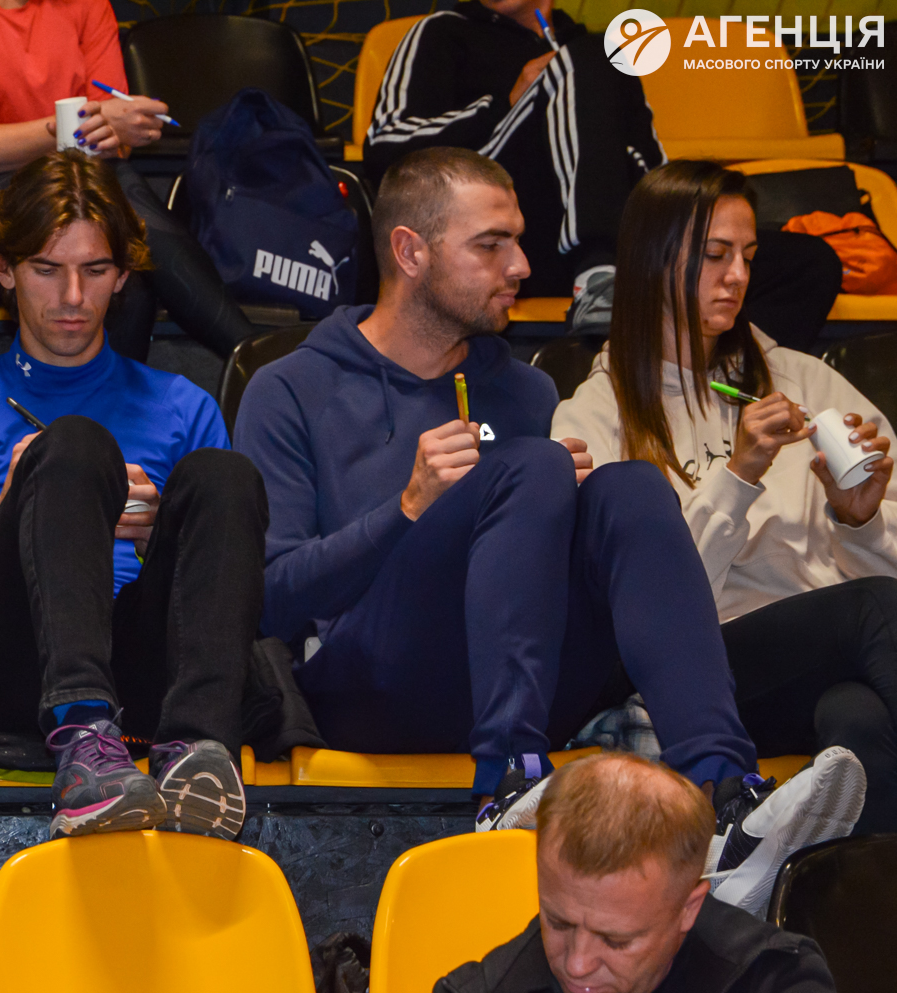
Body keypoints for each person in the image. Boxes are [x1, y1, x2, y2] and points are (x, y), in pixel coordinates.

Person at [232, 147, 863, 915]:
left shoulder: (525, 389)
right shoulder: (290, 387)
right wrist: (407, 508)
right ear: (410, 251)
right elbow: (270, 600)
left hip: (526, 679)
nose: (523, 266)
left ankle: (723, 793)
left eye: (520, 241)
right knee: (533, 465)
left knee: (627, 485)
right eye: (491, 244)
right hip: (368, 687)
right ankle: (509, 783)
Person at [0, 151, 267, 841]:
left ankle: (198, 750)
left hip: (142, 674)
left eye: (95, 270)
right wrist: (10, 505)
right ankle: (83, 735)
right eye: (46, 268)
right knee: (71, 445)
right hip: (5, 668)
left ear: (123, 276)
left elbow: (228, 597)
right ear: (4, 270)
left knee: (225, 475)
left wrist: (158, 538)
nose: (72, 296)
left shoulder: (182, 406)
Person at [552, 161, 897, 836]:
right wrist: (736, 478)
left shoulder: (804, 379)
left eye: (747, 255)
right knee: (871, 612)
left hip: (824, 662)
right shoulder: (595, 412)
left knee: (860, 720)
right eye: (715, 255)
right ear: (653, 262)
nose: (738, 275)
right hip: (698, 679)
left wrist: (857, 521)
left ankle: (810, 897)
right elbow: (642, 609)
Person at [361, 0, 842, 348]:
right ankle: (597, 271)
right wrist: (504, 105)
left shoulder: (598, 56)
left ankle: (711, 385)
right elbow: (386, 148)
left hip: (622, 246)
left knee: (807, 263)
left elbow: (651, 168)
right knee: (584, 56)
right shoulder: (441, 32)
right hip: (499, 238)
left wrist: (698, 235)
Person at [0, 0, 258, 361]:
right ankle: (252, 354)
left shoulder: (87, 6)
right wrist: (70, 132)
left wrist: (116, 129)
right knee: (108, 191)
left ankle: (104, 425)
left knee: (123, 276)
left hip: (54, 203)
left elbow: (108, 142)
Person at [437, 752, 837, 993]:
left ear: (689, 909)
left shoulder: (774, 979)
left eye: (616, 941)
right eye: (557, 923)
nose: (577, 964)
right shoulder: (483, 988)